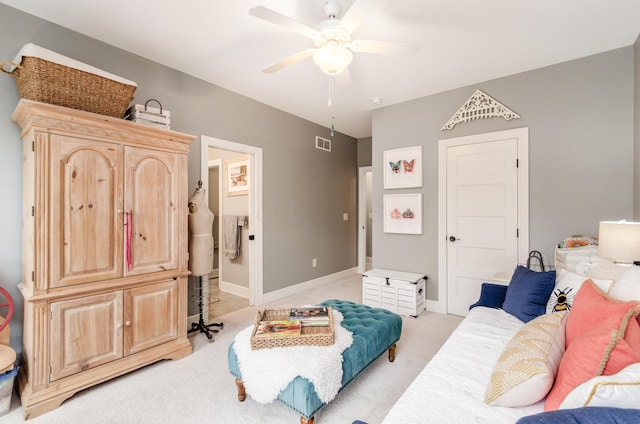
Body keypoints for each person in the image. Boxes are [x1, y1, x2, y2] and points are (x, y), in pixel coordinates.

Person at [188, 182, 214, 277]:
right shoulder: (193, 203)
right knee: (199, 270)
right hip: (199, 245)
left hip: (209, 242)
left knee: (207, 272)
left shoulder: (203, 203)